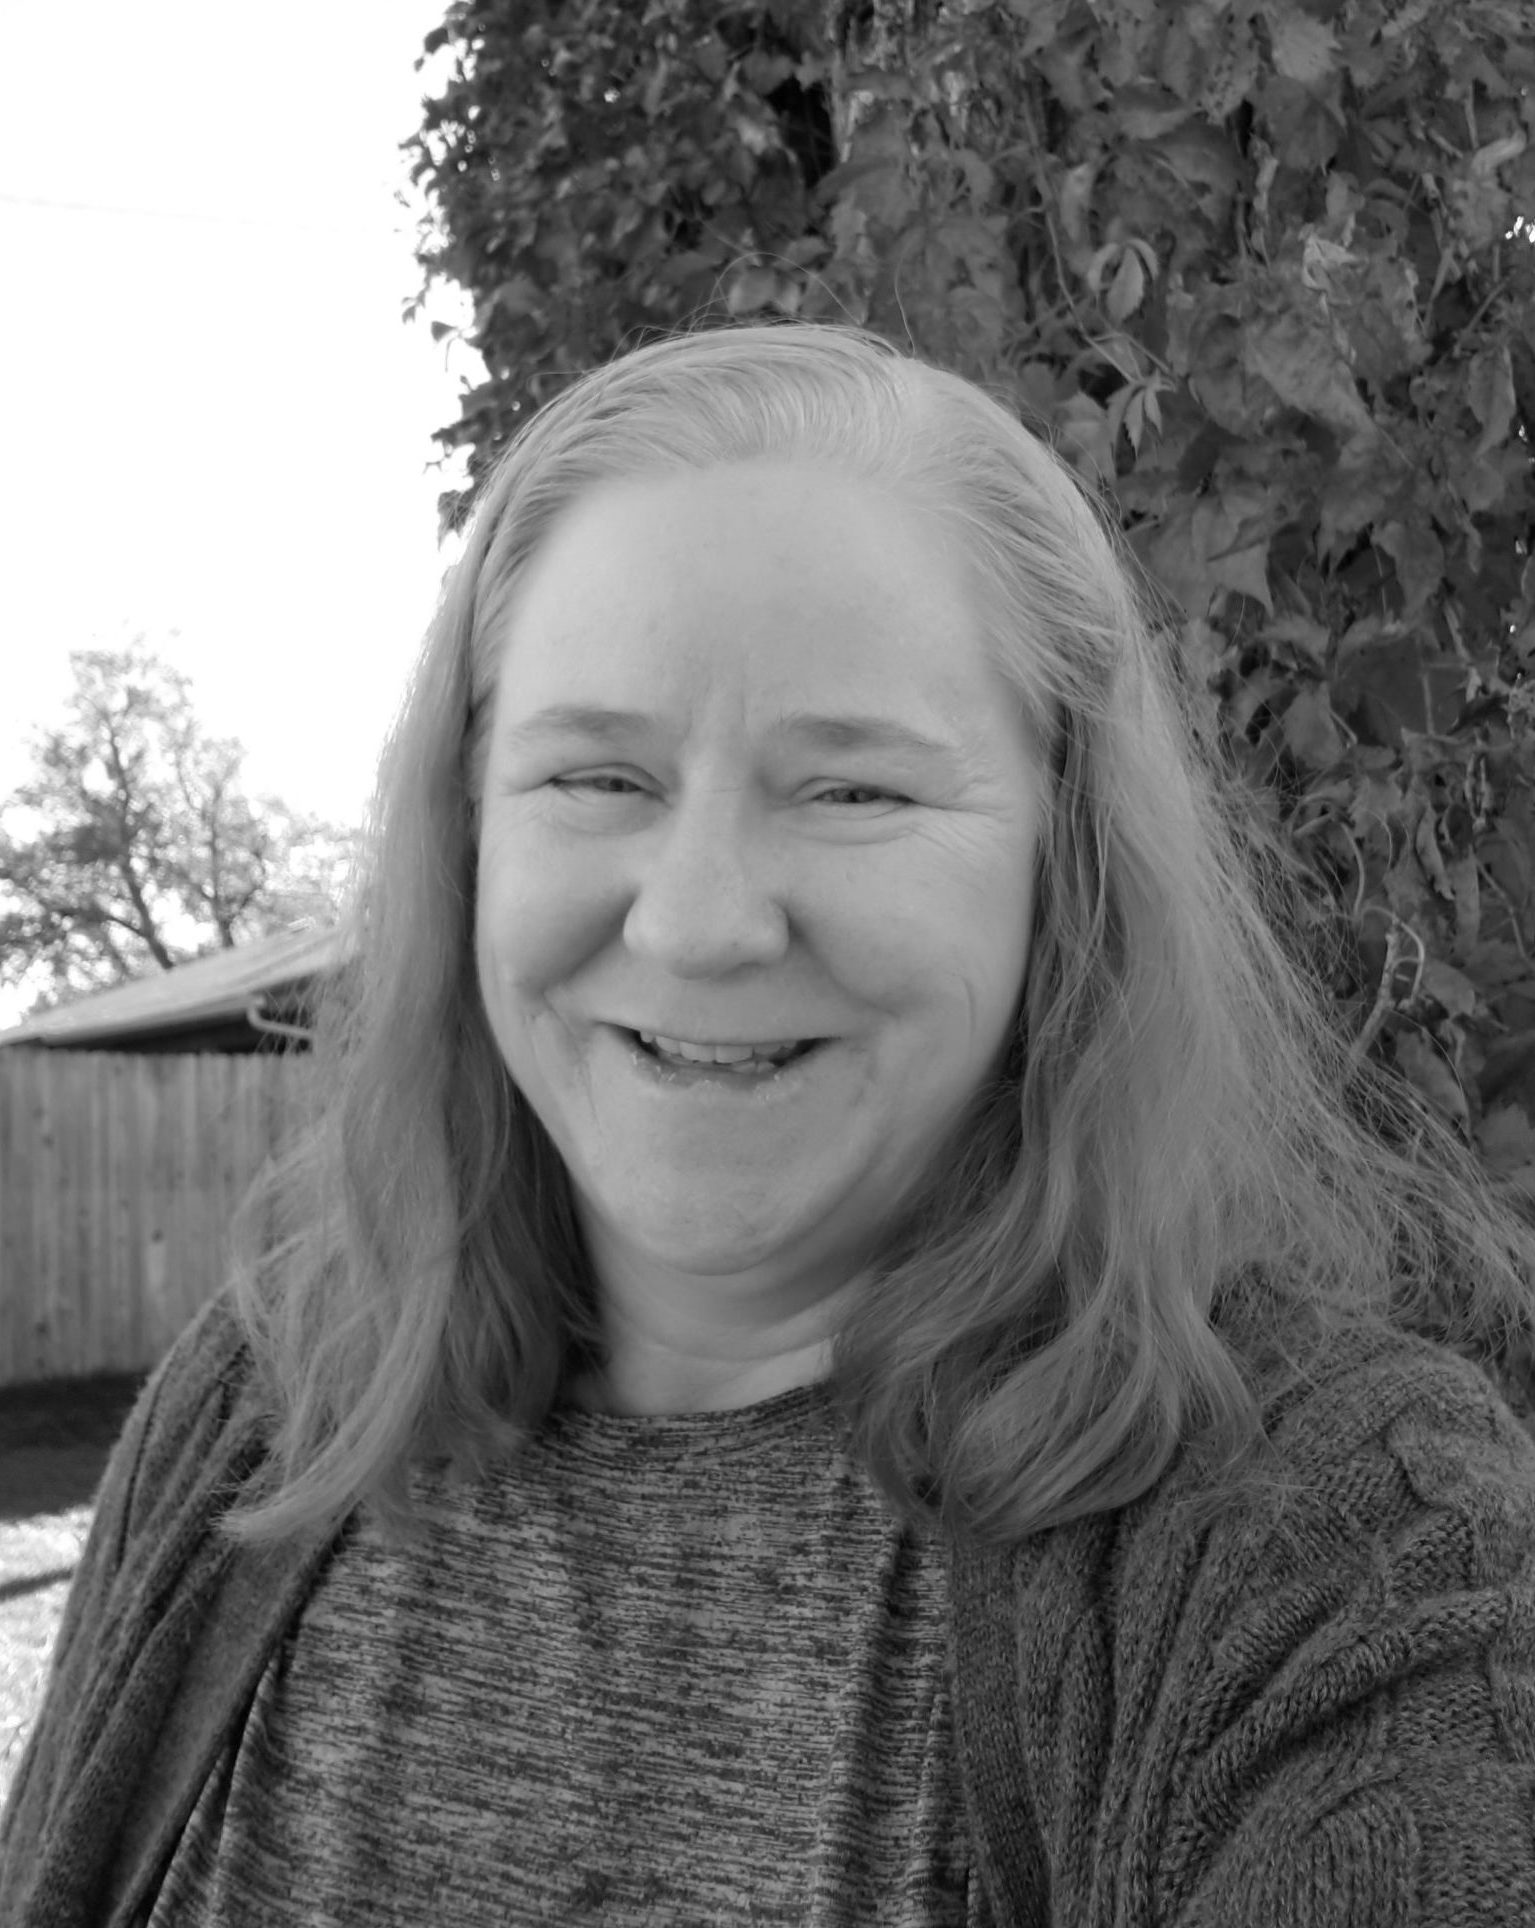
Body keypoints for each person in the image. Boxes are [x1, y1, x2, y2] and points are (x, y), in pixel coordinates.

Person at [4, 320, 1535, 1927]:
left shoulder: (1341, 1545)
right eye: (597, 779)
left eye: (854, 790)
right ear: (468, 839)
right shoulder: (268, 1405)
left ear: (1065, 862)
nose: (698, 924)